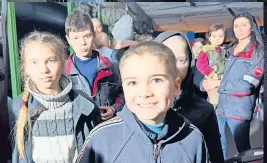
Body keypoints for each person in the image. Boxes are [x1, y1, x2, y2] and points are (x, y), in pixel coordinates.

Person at [76, 41, 209, 163]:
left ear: (176, 86)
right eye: (133, 82)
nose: (145, 93)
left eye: (156, 80)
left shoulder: (193, 138)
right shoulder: (101, 139)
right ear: (124, 88)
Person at [8, 31, 101, 163]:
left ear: (63, 63)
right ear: (25, 67)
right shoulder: (16, 108)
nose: (44, 70)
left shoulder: (85, 106)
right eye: (35, 62)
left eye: (51, 61)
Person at [155, 31, 224, 163]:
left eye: (181, 60)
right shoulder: (139, 107)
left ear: (189, 63)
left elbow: (215, 157)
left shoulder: (204, 111)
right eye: (166, 58)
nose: (172, 67)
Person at [206, 12, 264, 160]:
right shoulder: (231, 50)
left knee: (243, 148)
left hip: (239, 109)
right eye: (236, 25)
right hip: (221, 106)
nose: (239, 29)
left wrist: (218, 84)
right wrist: (206, 83)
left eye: (244, 25)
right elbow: (219, 72)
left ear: (252, 27)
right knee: (218, 144)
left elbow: (248, 85)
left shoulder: (258, 52)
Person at [65, 10, 124, 121]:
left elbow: (124, 93)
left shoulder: (112, 67)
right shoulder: (63, 72)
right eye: (76, 38)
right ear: (68, 40)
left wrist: (114, 108)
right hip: (78, 134)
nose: (82, 43)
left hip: (107, 130)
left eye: (86, 36)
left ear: (94, 35)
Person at [196, 24, 227, 108]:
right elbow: (200, 65)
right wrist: (212, 74)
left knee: (223, 100)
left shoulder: (223, 50)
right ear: (209, 37)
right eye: (214, 36)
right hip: (212, 78)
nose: (217, 39)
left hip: (222, 77)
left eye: (220, 36)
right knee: (214, 101)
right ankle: (213, 115)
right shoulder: (206, 50)